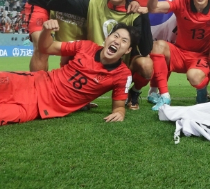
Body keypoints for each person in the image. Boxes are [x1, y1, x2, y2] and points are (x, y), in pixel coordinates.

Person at [45, 0, 153, 110]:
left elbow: (145, 50)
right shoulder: (92, 3)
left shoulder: (134, 14)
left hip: (120, 69)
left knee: (146, 64)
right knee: (68, 53)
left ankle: (134, 92)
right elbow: (54, 4)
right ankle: (73, 93)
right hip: (90, 65)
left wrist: (144, 16)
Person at [0, 20, 137, 126]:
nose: (117, 41)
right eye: (116, 36)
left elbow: (119, 107)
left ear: (128, 50)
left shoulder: (122, 74)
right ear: (107, 38)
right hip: (31, 82)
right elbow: (46, 47)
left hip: (40, 107)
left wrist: (119, 112)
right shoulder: (85, 46)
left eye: (124, 41)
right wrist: (47, 31)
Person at [146, 0, 210, 109]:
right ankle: (164, 96)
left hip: (201, 57)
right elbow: (152, 8)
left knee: (195, 77)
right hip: (180, 53)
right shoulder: (181, 1)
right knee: (157, 45)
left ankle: (202, 90)